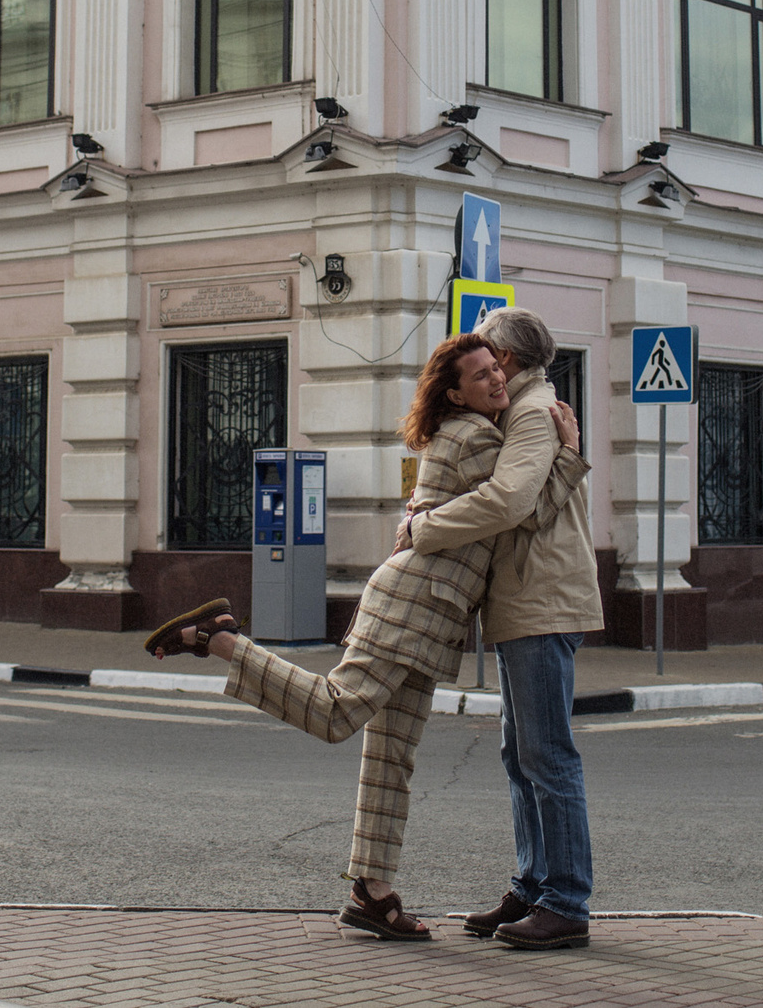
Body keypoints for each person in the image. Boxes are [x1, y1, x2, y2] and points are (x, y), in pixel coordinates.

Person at [141, 330, 584, 941]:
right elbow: (522, 510)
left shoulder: (467, 429)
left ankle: (372, 893)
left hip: (431, 611)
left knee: (391, 756)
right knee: (336, 712)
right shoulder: (475, 435)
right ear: (455, 393)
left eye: (495, 369)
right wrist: (570, 454)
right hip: (414, 605)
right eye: (480, 375)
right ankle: (221, 639)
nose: (496, 380)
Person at [406, 306, 602, 951]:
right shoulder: (521, 411)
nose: (484, 366)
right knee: (522, 756)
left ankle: (566, 902)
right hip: (527, 597)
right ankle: (532, 886)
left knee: (547, 757)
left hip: (543, 598)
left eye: (490, 357)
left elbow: (512, 501)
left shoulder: (528, 414)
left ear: (508, 362)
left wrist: (423, 526)